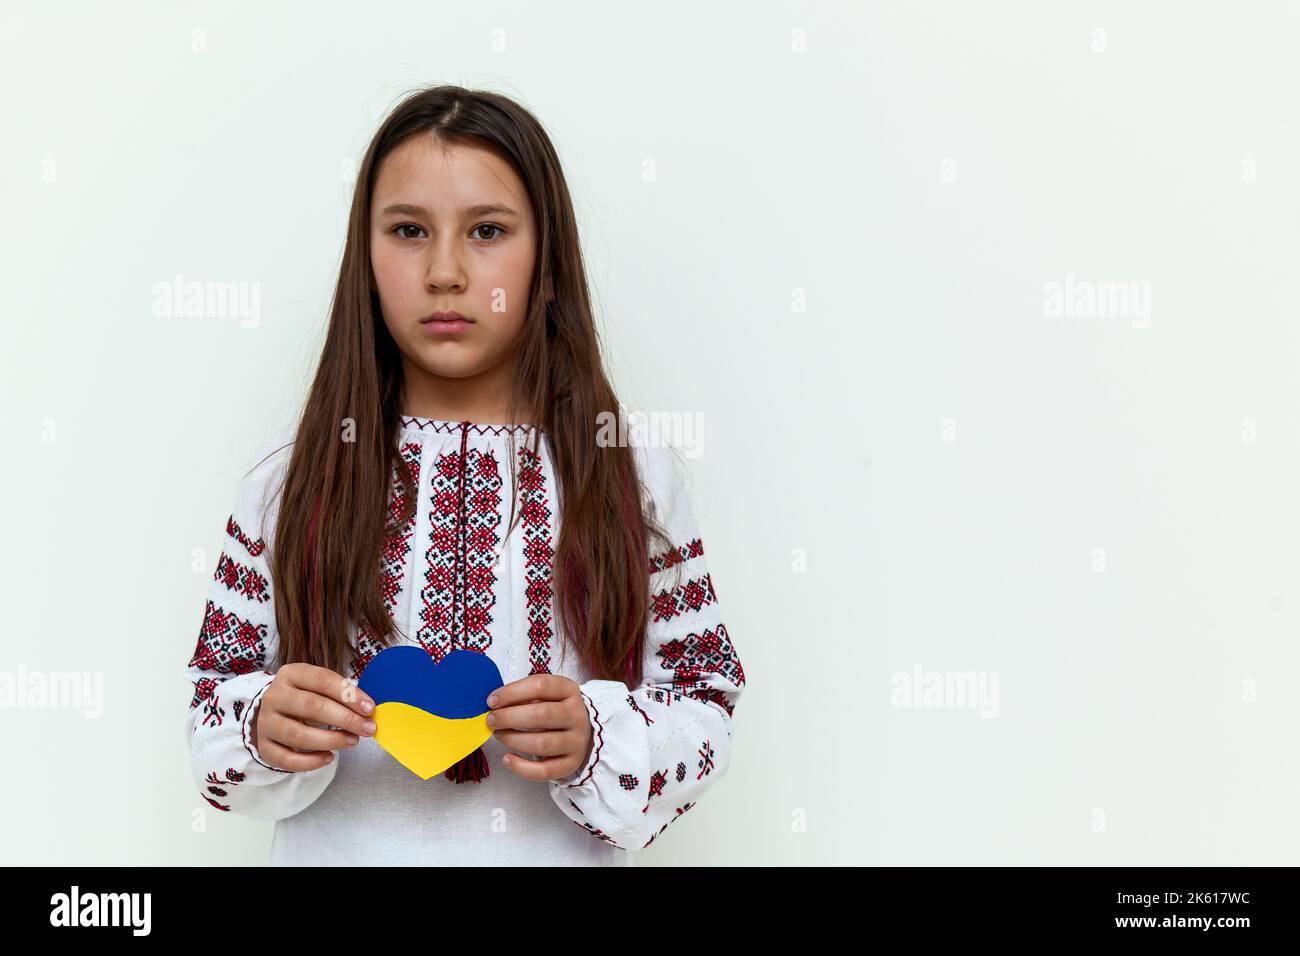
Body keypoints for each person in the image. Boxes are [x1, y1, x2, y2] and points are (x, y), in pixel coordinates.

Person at [182, 85, 746, 865]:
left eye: (487, 231)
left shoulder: (626, 472)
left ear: (545, 257)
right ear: (366, 255)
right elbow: (212, 706)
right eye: (409, 230)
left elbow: (705, 694)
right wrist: (262, 726)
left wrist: (596, 735)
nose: (445, 271)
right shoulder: (291, 475)